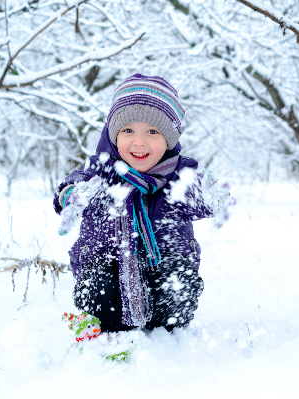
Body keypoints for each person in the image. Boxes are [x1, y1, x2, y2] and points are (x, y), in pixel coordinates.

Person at [53, 73, 231, 335]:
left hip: (164, 267)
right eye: (128, 131)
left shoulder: (179, 177)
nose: (139, 141)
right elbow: (72, 186)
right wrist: (72, 195)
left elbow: (198, 196)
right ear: (114, 135)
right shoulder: (100, 173)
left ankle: (164, 334)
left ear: (168, 139)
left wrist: (211, 195)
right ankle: (107, 331)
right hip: (106, 265)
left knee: (177, 286)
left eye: (152, 131)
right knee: (99, 288)